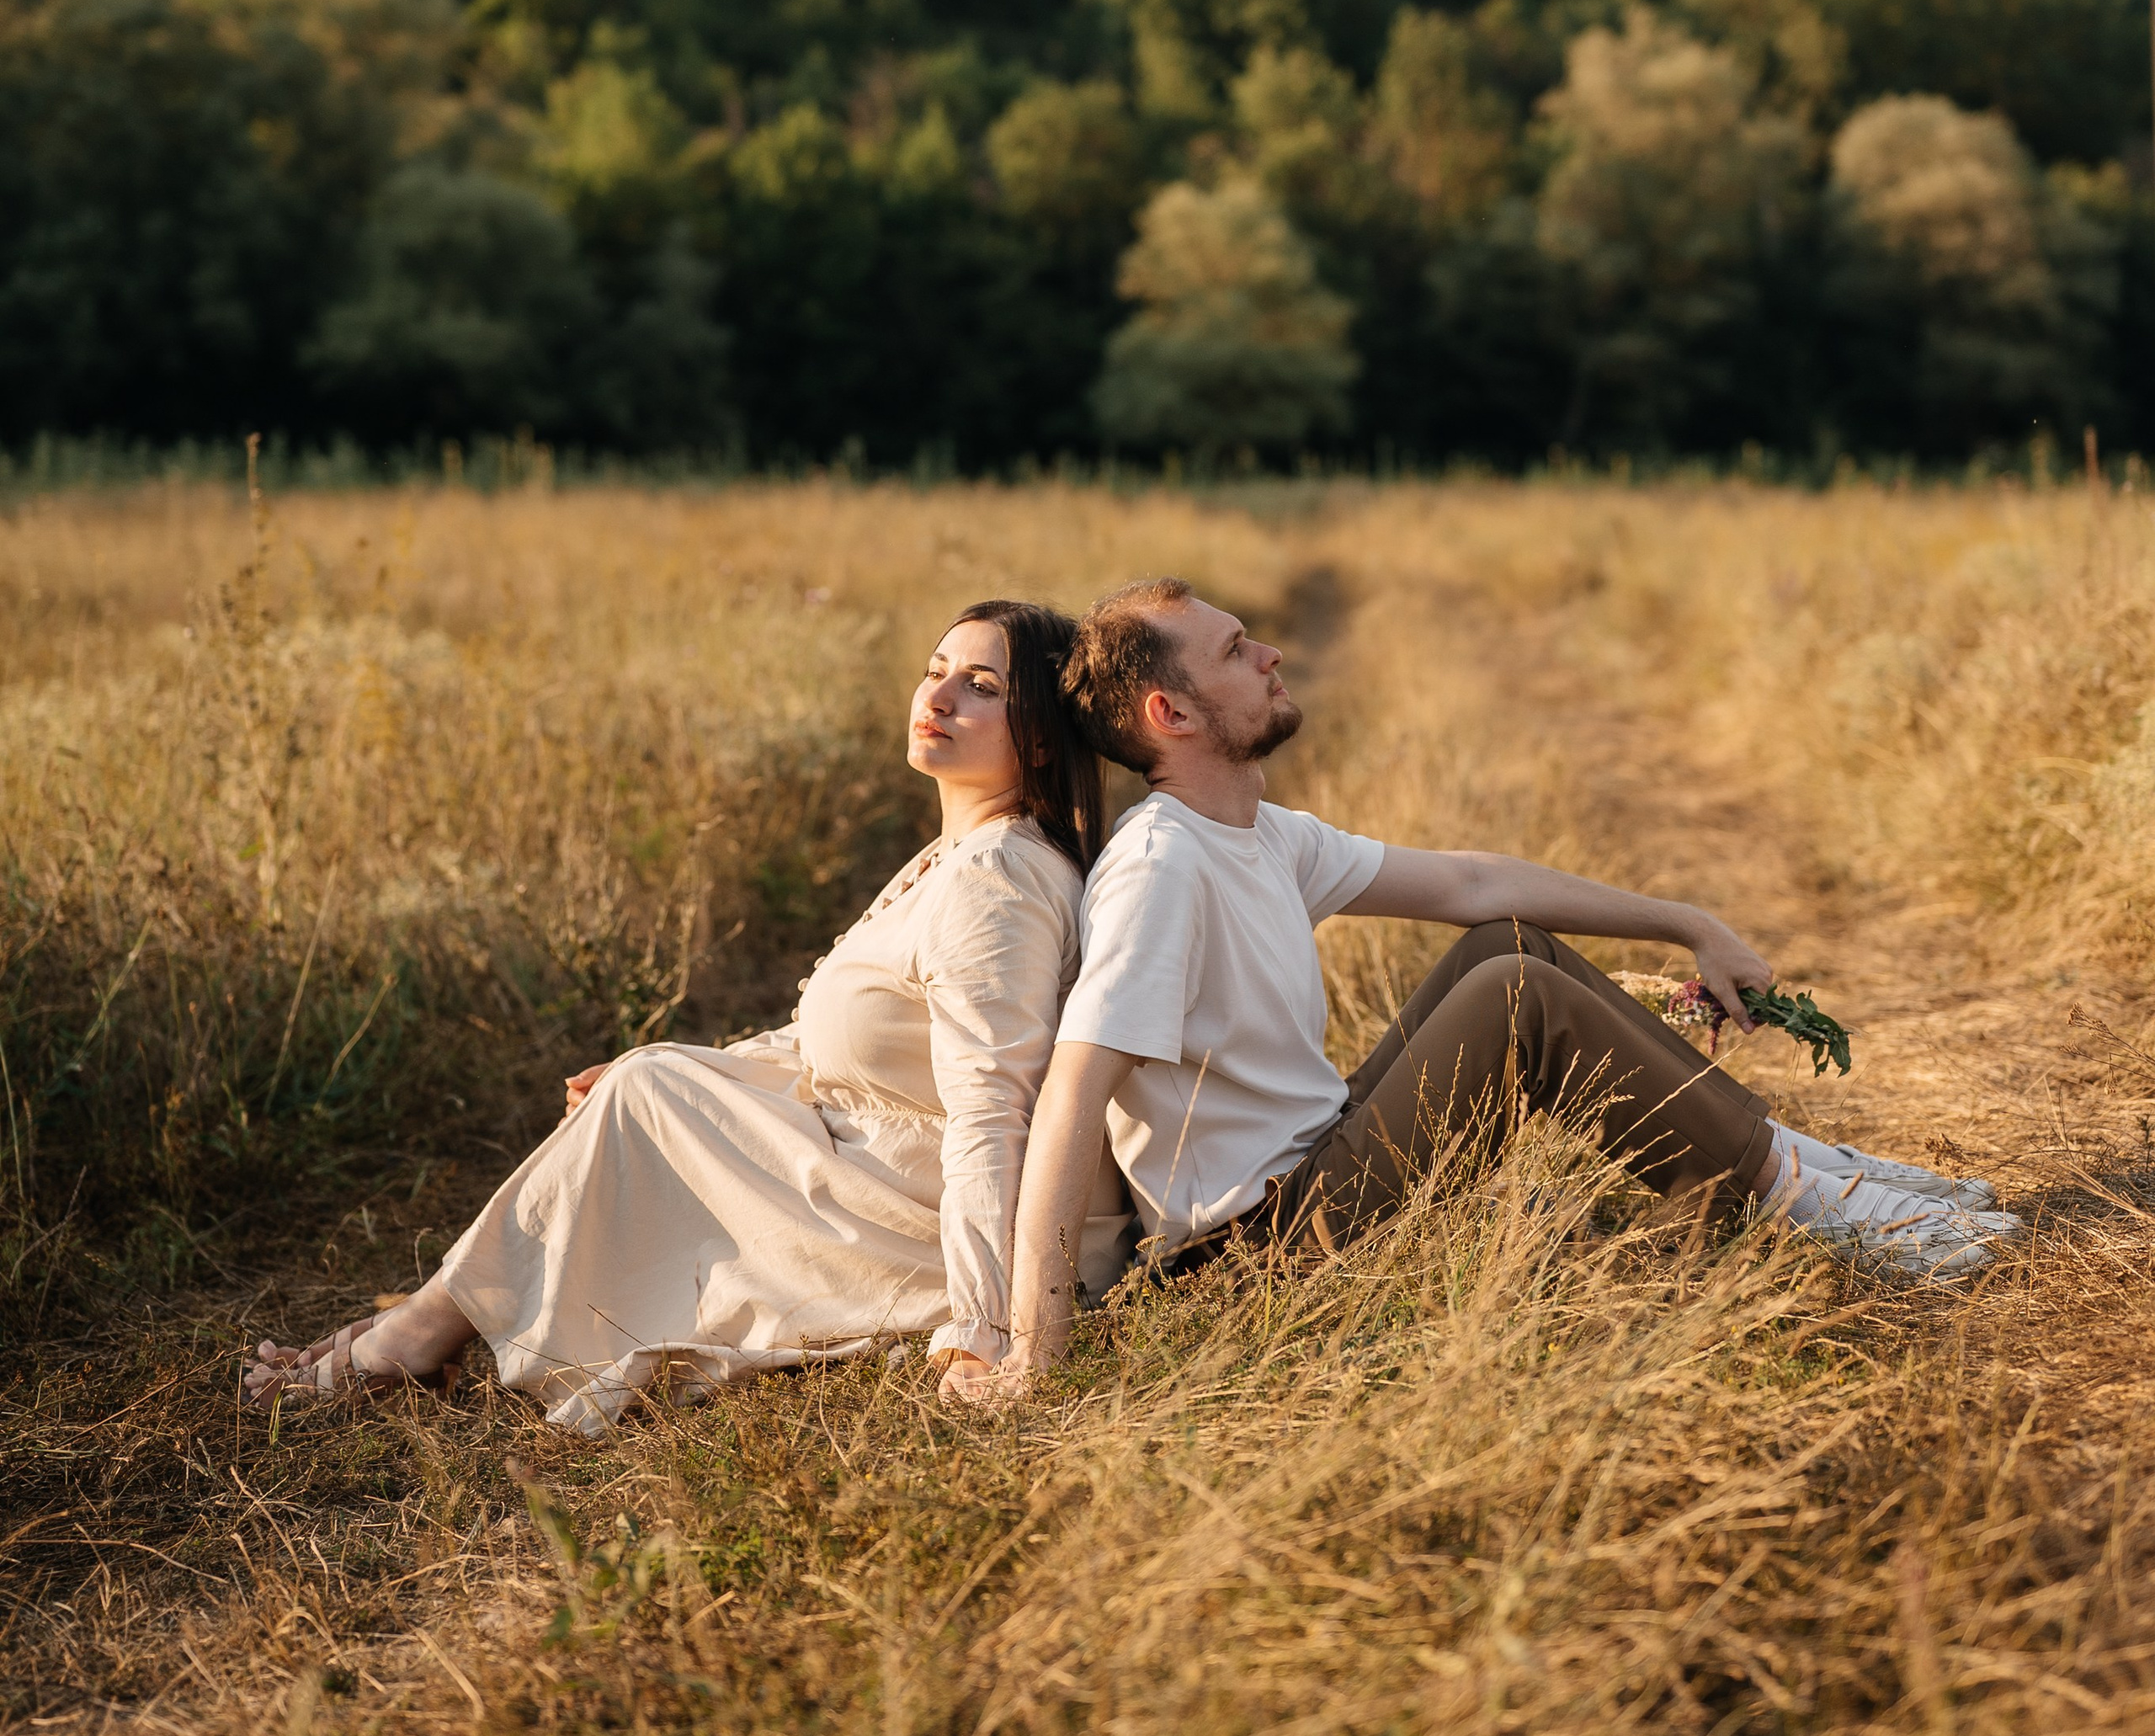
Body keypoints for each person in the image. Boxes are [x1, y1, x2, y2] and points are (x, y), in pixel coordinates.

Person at [942, 575, 2018, 1409]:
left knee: (1508, 944)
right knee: (1516, 997)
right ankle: (1823, 1207)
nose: (1268, 652)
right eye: (1235, 649)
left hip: (1317, 1174)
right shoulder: (1159, 866)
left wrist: (1691, 921)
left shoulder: (1258, 832)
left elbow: (1469, 881)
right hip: (1254, 1251)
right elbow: (1074, 1098)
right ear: (1170, 710)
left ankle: (1815, 1166)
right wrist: (1034, 1351)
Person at [244, 599, 1131, 1431]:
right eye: (935, 669)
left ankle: (418, 1333)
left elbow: (994, 1110)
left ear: (1043, 742)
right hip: (892, 1165)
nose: (937, 695)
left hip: (931, 1212)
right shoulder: (963, 854)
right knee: (649, 1081)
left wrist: (987, 1327)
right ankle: (431, 1320)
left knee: (650, 1091)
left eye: (982, 687)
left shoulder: (995, 883)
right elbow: (847, 1045)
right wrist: (692, 1063)